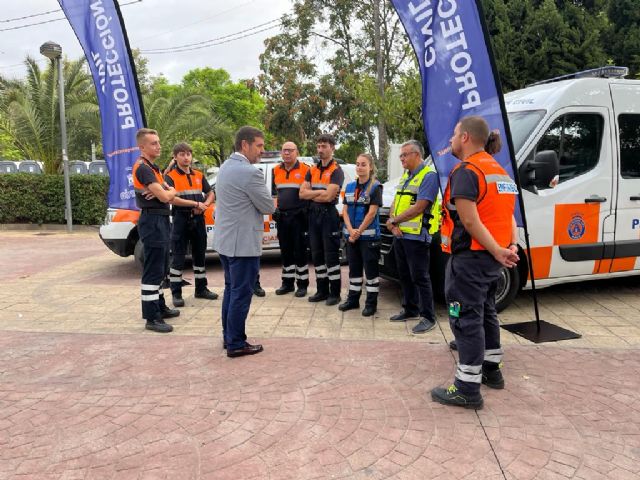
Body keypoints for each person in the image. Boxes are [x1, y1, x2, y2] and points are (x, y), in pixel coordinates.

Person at [431, 116, 519, 410]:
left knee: (465, 318)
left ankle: (467, 388)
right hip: (490, 260)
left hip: (471, 259)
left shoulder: (468, 171)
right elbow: (508, 217)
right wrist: (509, 246)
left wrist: (497, 250)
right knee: (485, 312)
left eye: (454, 135)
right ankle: (492, 371)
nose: (451, 141)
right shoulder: (500, 172)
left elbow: (469, 219)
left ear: (466, 137)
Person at [214, 126, 275, 358]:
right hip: (243, 244)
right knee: (241, 293)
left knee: (231, 289)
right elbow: (268, 206)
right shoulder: (250, 172)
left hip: (226, 242)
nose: (262, 150)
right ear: (244, 145)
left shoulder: (225, 167)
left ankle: (228, 336)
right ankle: (236, 343)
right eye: (259, 146)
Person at [385, 140, 441, 334]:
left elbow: (420, 207)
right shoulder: (406, 176)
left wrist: (394, 221)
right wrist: (393, 223)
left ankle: (428, 317)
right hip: (400, 235)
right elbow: (395, 201)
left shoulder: (429, 176)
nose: (401, 158)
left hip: (416, 236)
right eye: (400, 155)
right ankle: (410, 309)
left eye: (405, 155)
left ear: (417, 155)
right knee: (404, 275)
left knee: (420, 277)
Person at [132, 128, 180, 333]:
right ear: (142, 147)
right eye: (153, 143)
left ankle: (159, 307)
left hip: (160, 219)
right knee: (152, 270)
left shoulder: (154, 168)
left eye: (158, 142)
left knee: (161, 268)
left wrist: (168, 191)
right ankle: (151, 318)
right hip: (152, 220)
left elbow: (170, 191)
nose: (158, 146)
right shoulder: (143, 168)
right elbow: (165, 196)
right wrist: (167, 192)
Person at [164, 142, 218, 307]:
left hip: (198, 219)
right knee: (178, 257)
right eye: (182, 154)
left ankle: (201, 289)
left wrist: (205, 205)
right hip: (181, 219)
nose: (186, 157)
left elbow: (210, 193)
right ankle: (176, 293)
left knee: (200, 255)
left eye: (188, 154)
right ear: (175, 157)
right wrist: (195, 205)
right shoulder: (170, 176)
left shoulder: (199, 175)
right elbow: (172, 199)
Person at [300, 134, 345, 306]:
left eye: (324, 146)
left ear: (332, 148)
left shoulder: (336, 170)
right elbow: (301, 193)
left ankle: (335, 293)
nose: (320, 149)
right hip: (313, 215)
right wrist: (319, 194)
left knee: (331, 255)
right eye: (318, 146)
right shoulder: (311, 169)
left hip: (328, 215)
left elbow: (329, 197)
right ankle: (321, 290)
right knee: (317, 255)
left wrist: (313, 195)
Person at [339, 154, 382, 316]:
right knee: (354, 272)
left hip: (369, 238)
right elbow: (345, 211)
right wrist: (351, 230)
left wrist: (358, 231)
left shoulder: (375, 187)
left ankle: (371, 304)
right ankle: (353, 300)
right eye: (357, 164)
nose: (359, 167)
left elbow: (372, 213)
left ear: (370, 167)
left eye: (363, 164)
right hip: (352, 237)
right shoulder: (349, 187)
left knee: (371, 274)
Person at [272, 141, 311, 297]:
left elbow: (309, 193)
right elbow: (276, 194)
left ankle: (302, 285)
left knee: (300, 251)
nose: (286, 153)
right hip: (283, 217)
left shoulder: (306, 170)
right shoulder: (276, 170)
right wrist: (276, 209)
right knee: (285, 251)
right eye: (284, 150)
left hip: (299, 217)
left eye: (290, 150)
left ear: (297, 152)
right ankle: (287, 284)